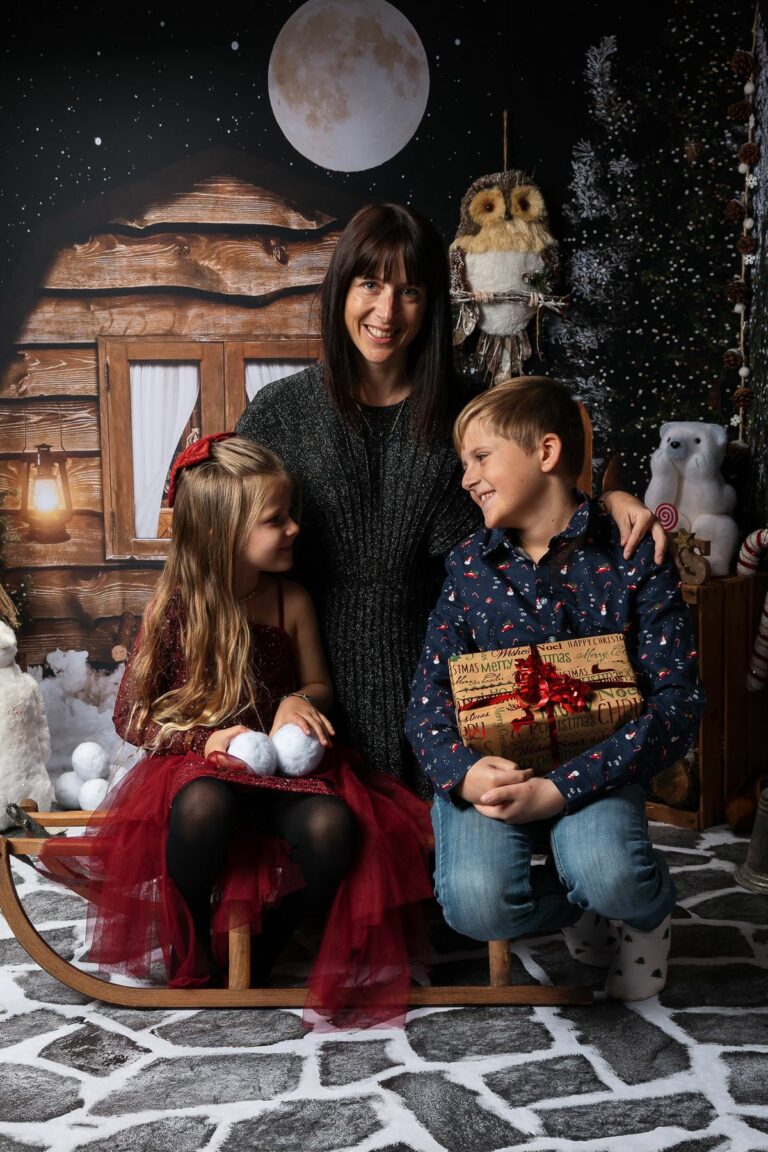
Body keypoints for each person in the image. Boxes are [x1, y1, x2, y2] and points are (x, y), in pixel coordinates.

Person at [236, 202, 664, 798]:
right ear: (341, 291)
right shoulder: (278, 413)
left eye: (409, 291)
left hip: (444, 682)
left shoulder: (472, 408)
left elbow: (544, 491)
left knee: (440, 879)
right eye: (370, 285)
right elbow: (226, 531)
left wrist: (612, 498)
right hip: (310, 685)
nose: (386, 312)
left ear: (433, 303)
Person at [40, 434, 432, 1027]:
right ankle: (190, 936)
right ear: (225, 532)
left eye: (291, 513)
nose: (295, 527)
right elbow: (132, 715)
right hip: (201, 763)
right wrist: (205, 741)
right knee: (203, 804)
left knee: (334, 827)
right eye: (277, 519)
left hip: (279, 765)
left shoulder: (289, 600)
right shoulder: (175, 606)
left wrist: (295, 704)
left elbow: (320, 685)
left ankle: (268, 942)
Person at [405, 377, 705, 1000]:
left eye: (481, 458)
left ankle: (641, 911)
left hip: (597, 768)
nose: (467, 478)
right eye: (465, 463)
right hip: (493, 768)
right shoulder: (467, 566)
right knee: (474, 907)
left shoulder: (633, 554)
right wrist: (462, 774)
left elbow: (677, 703)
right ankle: (582, 907)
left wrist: (563, 788)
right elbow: (428, 697)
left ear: (545, 454)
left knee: (611, 872)